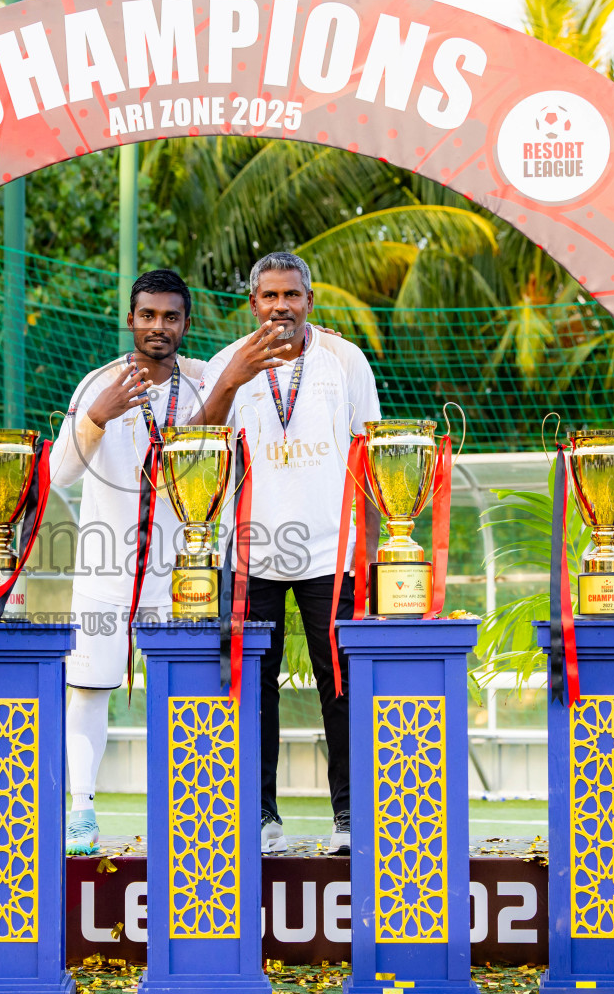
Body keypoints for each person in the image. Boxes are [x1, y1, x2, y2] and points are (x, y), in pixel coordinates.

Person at [192, 251, 380, 855]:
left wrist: (371, 552)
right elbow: (195, 444)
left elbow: (371, 453)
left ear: (309, 301)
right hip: (249, 553)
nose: (281, 307)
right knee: (251, 687)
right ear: (253, 304)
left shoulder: (344, 360)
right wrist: (232, 379)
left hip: (333, 550)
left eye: (291, 296)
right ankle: (261, 816)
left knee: (342, 686)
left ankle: (350, 817)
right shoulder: (226, 364)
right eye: (269, 297)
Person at [49, 268, 206, 854]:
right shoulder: (98, 382)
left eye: (170, 316)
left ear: (186, 323)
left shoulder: (204, 387)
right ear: (132, 319)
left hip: (183, 576)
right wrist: (97, 414)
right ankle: (81, 814)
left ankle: (189, 818)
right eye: (148, 315)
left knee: (187, 695)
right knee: (87, 690)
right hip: (102, 570)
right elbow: (60, 472)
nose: (158, 327)